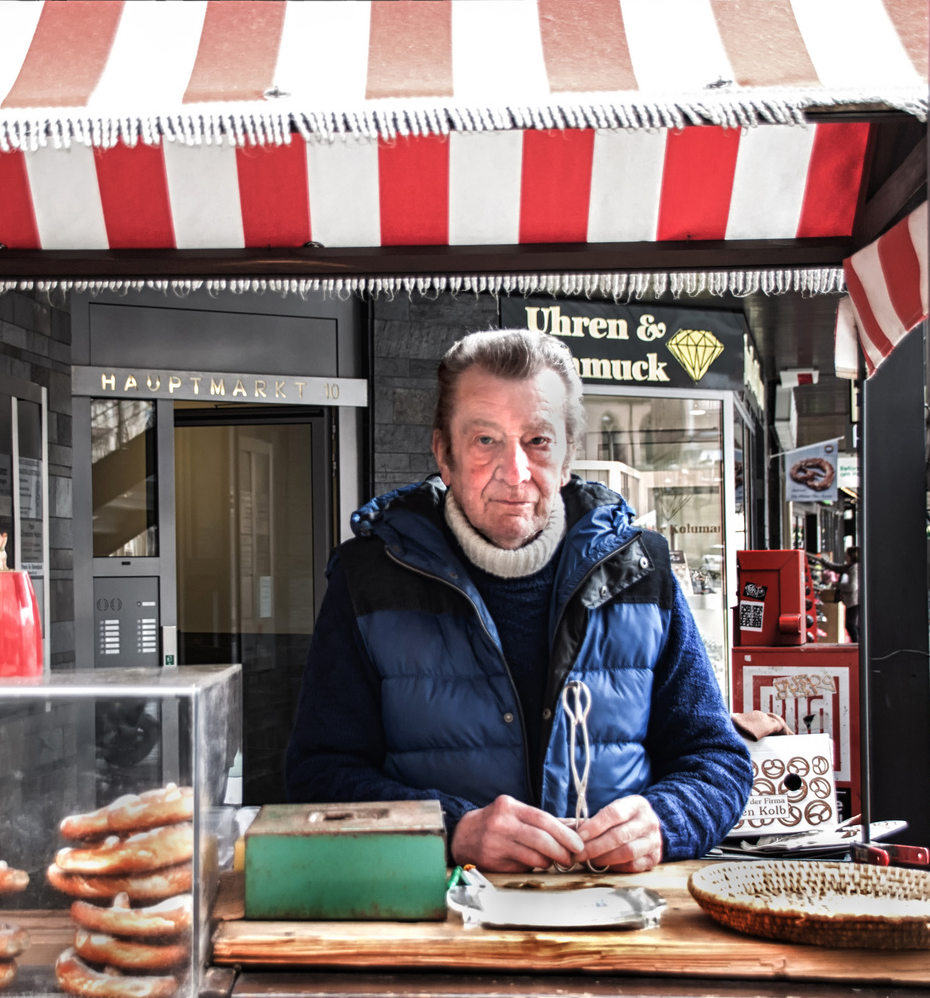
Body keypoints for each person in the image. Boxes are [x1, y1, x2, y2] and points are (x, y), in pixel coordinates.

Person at [285, 329, 753, 872]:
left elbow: (717, 760)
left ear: (569, 453)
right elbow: (318, 776)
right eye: (485, 441)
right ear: (444, 452)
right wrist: (451, 830)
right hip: (444, 932)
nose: (515, 473)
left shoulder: (642, 570)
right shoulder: (367, 578)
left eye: (538, 440)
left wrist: (665, 820)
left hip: (614, 926)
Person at [820, 547, 861, 642]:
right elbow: (837, 568)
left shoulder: (854, 569)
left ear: (851, 556)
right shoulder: (851, 567)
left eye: (847, 555)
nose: (845, 557)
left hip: (854, 601)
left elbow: (852, 587)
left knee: (850, 624)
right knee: (852, 624)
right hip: (853, 601)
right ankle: (858, 643)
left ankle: (857, 644)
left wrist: (837, 585)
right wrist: (823, 562)